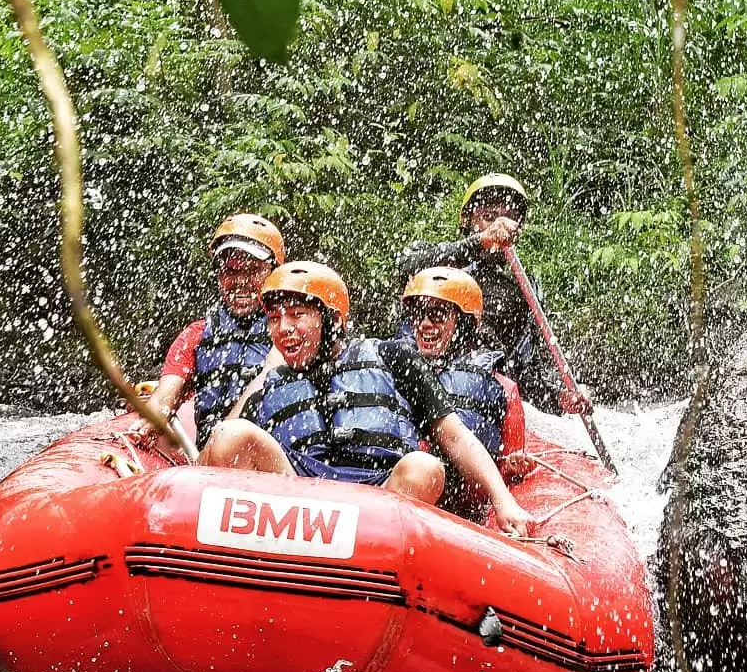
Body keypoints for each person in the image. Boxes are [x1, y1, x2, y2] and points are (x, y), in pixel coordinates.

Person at [199, 261, 537, 537]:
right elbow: (215, 453)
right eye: (274, 319)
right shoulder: (271, 383)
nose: (283, 328)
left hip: (380, 497)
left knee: (424, 468)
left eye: (297, 315)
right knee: (232, 435)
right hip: (296, 500)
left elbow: (455, 436)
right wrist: (263, 375)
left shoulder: (394, 358)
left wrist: (502, 501)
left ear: (332, 320)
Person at [396, 173, 590, 414]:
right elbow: (405, 266)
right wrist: (481, 242)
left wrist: (558, 397)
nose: (499, 226)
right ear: (467, 220)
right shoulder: (440, 263)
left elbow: (524, 372)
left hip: (476, 397)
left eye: (509, 219)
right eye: (487, 218)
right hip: (418, 385)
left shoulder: (522, 291)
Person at [131, 214, 285, 449]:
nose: (240, 281)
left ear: (274, 274)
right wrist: (151, 417)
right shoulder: (196, 335)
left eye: (253, 270)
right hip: (213, 468)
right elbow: (166, 396)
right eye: (230, 271)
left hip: (275, 465)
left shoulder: (291, 332)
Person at [402, 266, 537, 516]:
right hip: (404, 501)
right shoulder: (394, 373)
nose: (424, 324)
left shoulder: (503, 389)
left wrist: (508, 468)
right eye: (418, 314)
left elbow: (510, 471)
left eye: (438, 315)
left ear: (463, 324)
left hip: (463, 517)